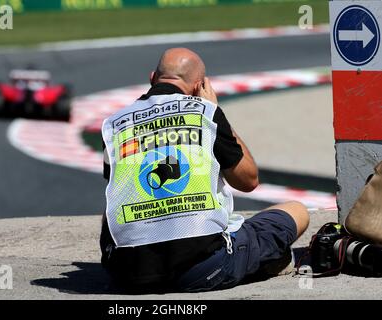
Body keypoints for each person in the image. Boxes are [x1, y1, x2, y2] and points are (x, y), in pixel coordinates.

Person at [99, 47, 310, 292]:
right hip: (203, 269)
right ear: (200, 86)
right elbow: (248, 181)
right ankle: (265, 261)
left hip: (127, 274)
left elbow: (118, 191)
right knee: (296, 211)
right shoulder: (206, 113)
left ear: (152, 78)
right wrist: (216, 112)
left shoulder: (114, 125)